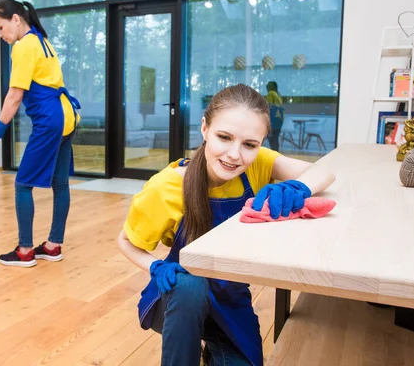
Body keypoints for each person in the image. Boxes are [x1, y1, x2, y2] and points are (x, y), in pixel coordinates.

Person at [117, 84, 335, 365]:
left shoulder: (259, 165)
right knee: (190, 286)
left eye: (249, 144)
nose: (234, 154)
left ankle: (215, 348)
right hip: (178, 295)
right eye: (224, 137)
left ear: (261, 144)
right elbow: (125, 241)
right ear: (205, 129)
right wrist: (156, 266)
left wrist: (299, 187)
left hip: (231, 298)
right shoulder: (167, 186)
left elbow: (325, 172)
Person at [0, 0, 81, 267]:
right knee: (60, 183)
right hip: (68, 116)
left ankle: (25, 251)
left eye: (0, 27)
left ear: (16, 19)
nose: (1, 35)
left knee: (22, 184)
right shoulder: (42, 39)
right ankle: (53, 246)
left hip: (51, 120)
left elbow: (15, 95)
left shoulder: (23, 46)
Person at [265, 81, 284, 152]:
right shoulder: (278, 95)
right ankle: (276, 153)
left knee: (271, 138)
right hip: (279, 119)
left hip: (272, 118)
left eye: (268, 86)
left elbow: (268, 106)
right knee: (275, 138)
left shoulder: (270, 94)